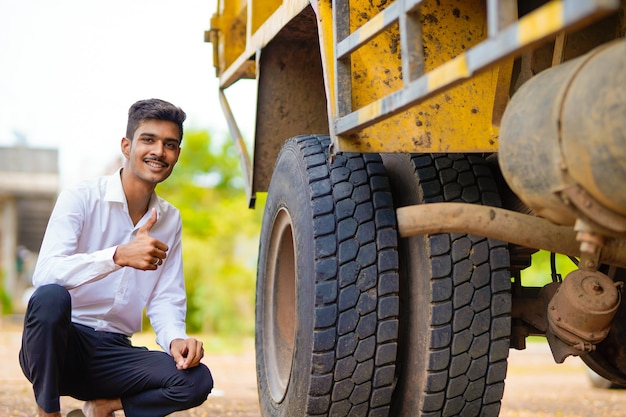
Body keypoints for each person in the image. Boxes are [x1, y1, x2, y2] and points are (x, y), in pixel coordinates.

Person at [19, 99, 214, 417]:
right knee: (50, 297)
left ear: (177, 154)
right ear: (127, 145)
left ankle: (101, 407)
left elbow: (165, 298)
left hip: (115, 353)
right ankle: (48, 411)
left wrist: (176, 340)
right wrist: (118, 256)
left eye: (170, 144)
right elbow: (46, 274)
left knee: (197, 380)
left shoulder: (170, 219)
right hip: (60, 346)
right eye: (148, 140)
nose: (159, 152)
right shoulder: (80, 197)